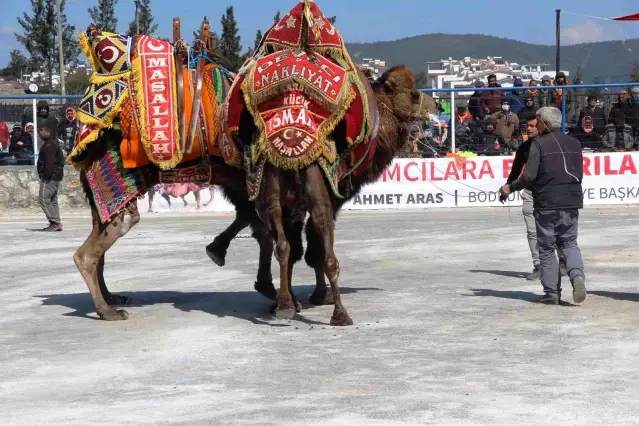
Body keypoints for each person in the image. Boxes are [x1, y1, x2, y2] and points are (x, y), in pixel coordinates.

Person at [500, 107, 586, 305]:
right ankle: (577, 275)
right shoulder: (575, 143)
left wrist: (510, 188)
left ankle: (552, 293)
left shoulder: (538, 144)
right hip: (572, 201)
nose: (535, 125)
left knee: (546, 248)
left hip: (547, 201)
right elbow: (579, 173)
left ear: (545, 124)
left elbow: (528, 176)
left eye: (537, 121)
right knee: (570, 243)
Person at [501, 115, 541, 279]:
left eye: (532, 126)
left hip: (549, 194)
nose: (529, 129)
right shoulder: (524, 148)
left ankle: (561, 261)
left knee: (553, 231)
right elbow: (516, 171)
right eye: (527, 126)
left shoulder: (549, 145)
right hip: (530, 193)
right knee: (532, 231)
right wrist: (508, 188)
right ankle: (538, 265)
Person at [36, 116, 65, 232]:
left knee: (43, 198)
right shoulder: (52, 143)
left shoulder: (50, 145)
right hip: (55, 176)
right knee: (52, 199)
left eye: (41, 130)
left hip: (50, 177)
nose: (39, 133)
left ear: (49, 130)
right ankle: (56, 222)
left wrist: (45, 175)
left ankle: (55, 222)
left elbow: (49, 163)